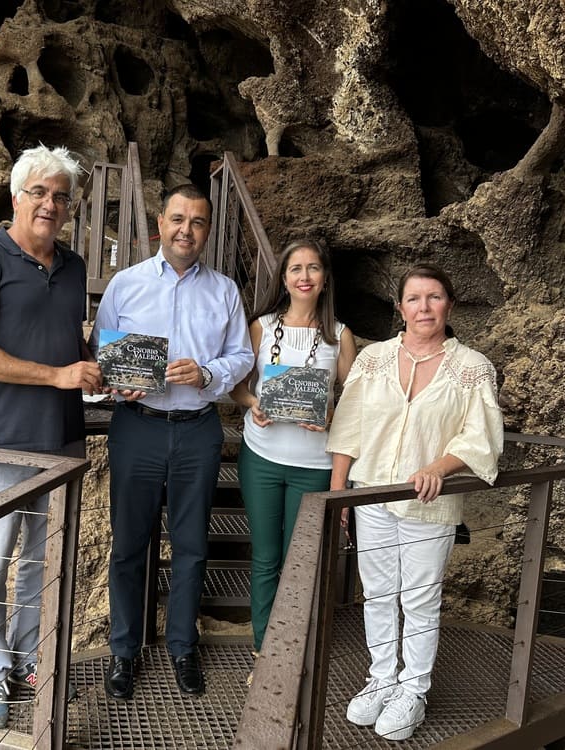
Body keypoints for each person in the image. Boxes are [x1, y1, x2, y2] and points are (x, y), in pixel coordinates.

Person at [0, 145, 101, 730]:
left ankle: (30, 660)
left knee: (45, 560)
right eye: (39, 192)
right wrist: (57, 375)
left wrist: (98, 366)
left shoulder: (75, 265)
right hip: (1, 438)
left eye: (60, 196)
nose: (50, 204)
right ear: (16, 196)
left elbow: (66, 341)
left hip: (62, 437)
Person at [326, 263, 504, 741]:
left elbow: (480, 437)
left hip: (430, 501)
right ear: (400, 308)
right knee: (379, 592)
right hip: (371, 494)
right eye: (414, 299)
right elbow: (349, 427)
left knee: (420, 597)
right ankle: (381, 677)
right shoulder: (374, 359)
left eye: (434, 297)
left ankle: (413, 688)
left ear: (449, 304)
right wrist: (342, 491)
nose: (424, 307)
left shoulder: (471, 367)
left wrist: (438, 468)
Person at [90, 184, 254, 700]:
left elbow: (242, 356)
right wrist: (119, 379)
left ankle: (183, 646)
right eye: (178, 219)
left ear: (207, 230)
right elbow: (103, 348)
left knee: (191, 545)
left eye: (198, 221)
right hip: (137, 424)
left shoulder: (224, 290)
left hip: (197, 429)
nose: (186, 230)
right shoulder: (126, 284)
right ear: (159, 224)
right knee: (129, 545)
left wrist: (205, 372)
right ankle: (125, 649)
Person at [229, 238, 356, 682]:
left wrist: (330, 415)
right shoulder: (260, 326)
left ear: (324, 280)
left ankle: (294, 646)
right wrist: (252, 403)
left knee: (300, 561)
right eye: (296, 269)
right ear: (283, 279)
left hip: (315, 465)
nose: (304, 276)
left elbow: (354, 406)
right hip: (262, 457)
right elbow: (237, 385)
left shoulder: (340, 336)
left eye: (313, 268)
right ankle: (265, 651)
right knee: (265, 558)